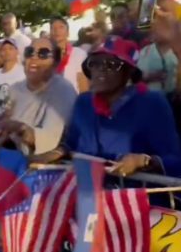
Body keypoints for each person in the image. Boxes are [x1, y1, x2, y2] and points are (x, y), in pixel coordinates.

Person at [33, 38, 181, 177]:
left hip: (136, 195)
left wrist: (143, 161)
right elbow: (71, 143)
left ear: (128, 72)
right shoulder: (83, 103)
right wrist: (56, 153)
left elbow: (174, 159)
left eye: (111, 64)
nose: (100, 70)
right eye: (95, 63)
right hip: (88, 192)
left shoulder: (151, 103)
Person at [0, 38, 77, 155]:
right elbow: (0, 126)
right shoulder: (15, 89)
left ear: (56, 62)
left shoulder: (63, 90)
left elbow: (50, 141)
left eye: (43, 54)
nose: (33, 57)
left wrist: (19, 127)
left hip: (44, 166)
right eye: (29, 52)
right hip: (10, 158)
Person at [49, 17, 88, 93]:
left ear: (68, 33)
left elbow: (83, 86)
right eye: (53, 28)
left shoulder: (79, 54)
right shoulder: (46, 56)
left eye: (61, 27)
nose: (57, 30)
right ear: (50, 33)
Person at [137, 24, 179, 93]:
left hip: (171, 97)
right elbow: (136, 75)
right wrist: (148, 76)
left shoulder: (176, 50)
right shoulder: (146, 50)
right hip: (148, 96)